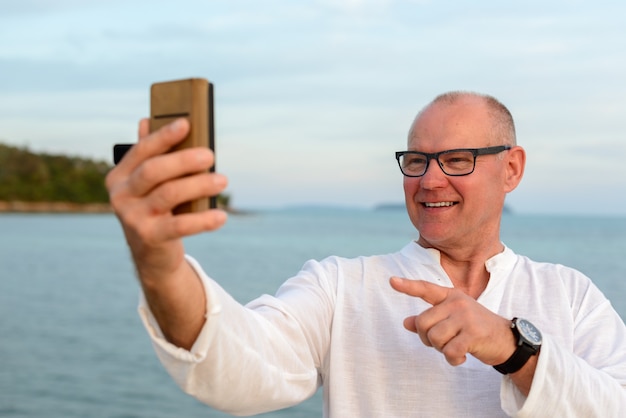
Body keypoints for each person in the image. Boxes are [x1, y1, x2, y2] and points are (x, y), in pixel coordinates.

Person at [106, 91, 626, 417]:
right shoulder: (340, 286)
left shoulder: (570, 293)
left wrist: (513, 349)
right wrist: (159, 264)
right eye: (417, 160)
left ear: (511, 169)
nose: (429, 179)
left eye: (458, 160)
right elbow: (236, 367)